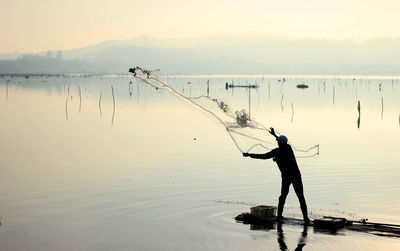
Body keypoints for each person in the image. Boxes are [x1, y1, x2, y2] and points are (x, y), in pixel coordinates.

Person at [242, 127, 310, 224]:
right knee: (301, 197)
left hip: (287, 177)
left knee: (283, 196)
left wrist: (249, 155)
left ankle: (279, 216)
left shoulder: (276, 152)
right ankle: (306, 218)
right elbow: (281, 140)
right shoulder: (288, 147)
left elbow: (263, 156)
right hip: (296, 175)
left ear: (279, 143)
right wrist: (274, 134)